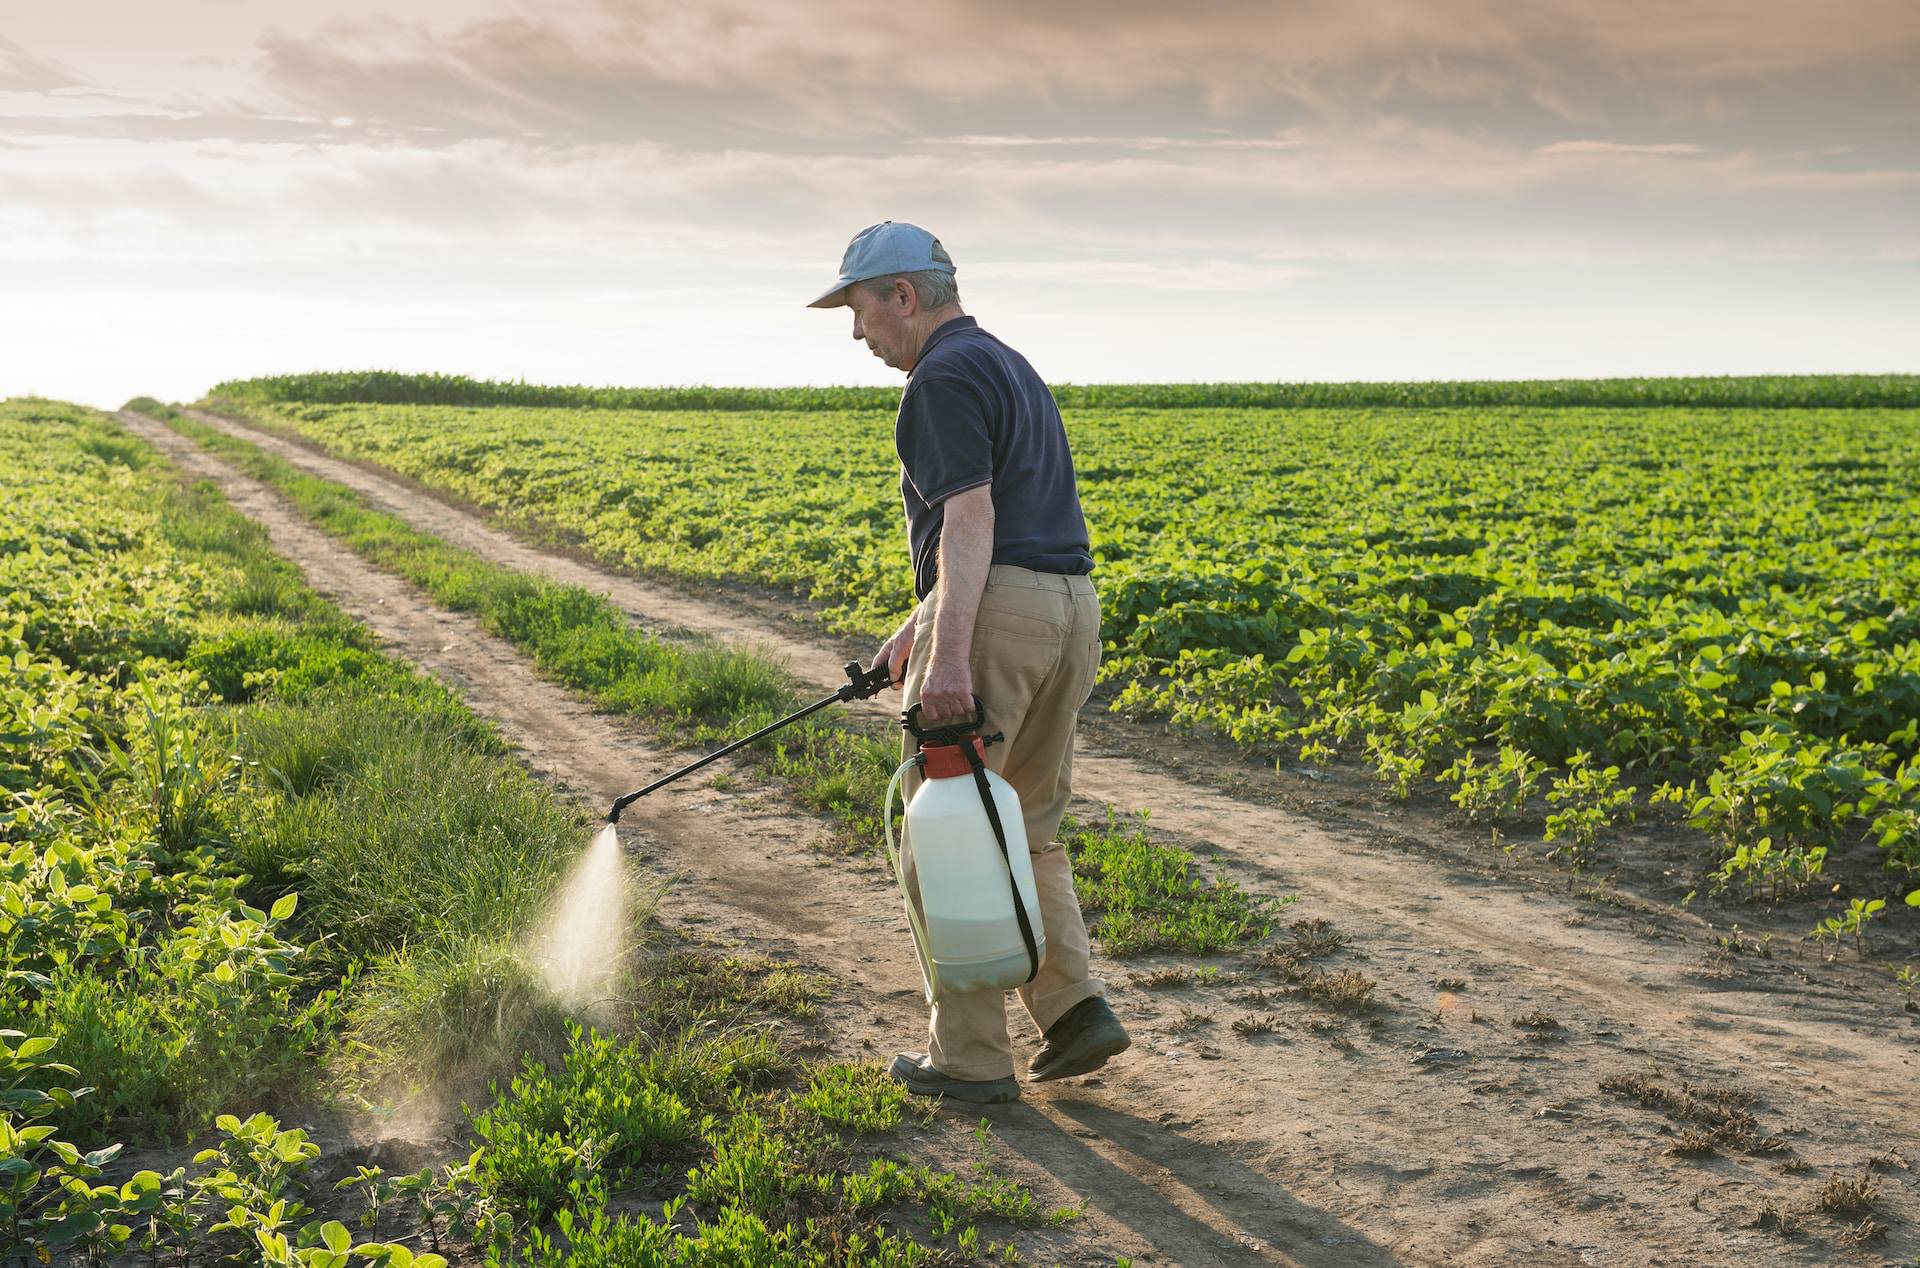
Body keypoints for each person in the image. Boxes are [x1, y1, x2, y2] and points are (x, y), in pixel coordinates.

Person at [806, 221, 1130, 1104]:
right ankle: (1073, 1012)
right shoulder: (1006, 364)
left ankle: (972, 1060)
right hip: (1066, 610)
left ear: (903, 297)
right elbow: (1013, 522)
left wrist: (949, 658)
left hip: (997, 620)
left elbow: (973, 521)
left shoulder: (937, 382)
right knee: (1021, 824)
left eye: (862, 309)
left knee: (941, 833)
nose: (858, 332)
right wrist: (920, 625)